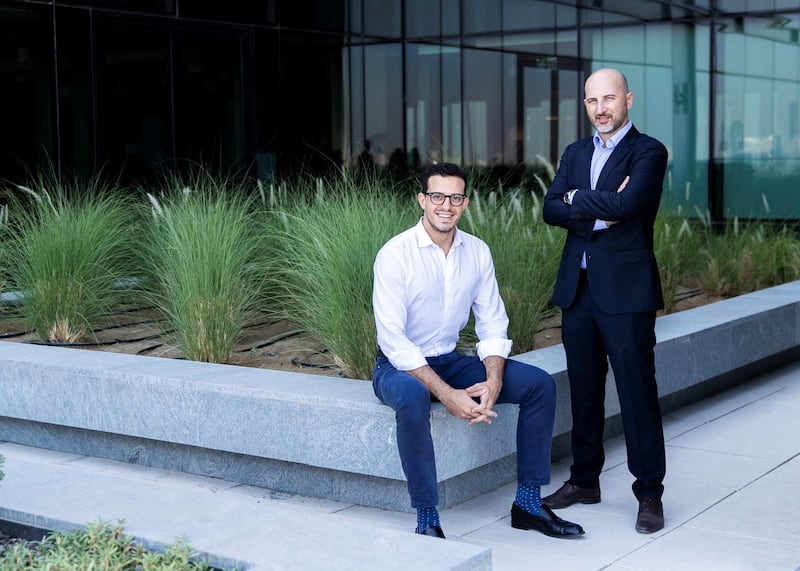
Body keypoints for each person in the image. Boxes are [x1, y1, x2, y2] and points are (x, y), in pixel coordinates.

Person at [371, 162, 584, 540]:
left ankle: (529, 504)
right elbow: (394, 340)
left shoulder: (477, 252)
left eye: (455, 197)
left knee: (539, 385)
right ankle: (426, 518)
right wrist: (448, 395)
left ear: (465, 203)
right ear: (422, 200)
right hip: (398, 367)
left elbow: (491, 322)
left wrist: (494, 377)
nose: (446, 206)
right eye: (437, 196)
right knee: (412, 398)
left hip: (450, 360)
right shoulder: (395, 254)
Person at [541, 68, 669, 534]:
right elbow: (550, 207)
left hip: (627, 293)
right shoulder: (575, 152)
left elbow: (629, 205)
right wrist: (590, 202)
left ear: (628, 100)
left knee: (637, 394)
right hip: (579, 291)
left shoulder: (649, 151)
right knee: (585, 391)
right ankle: (584, 481)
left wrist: (579, 200)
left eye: (609, 99)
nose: (600, 109)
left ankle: (650, 493)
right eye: (592, 100)